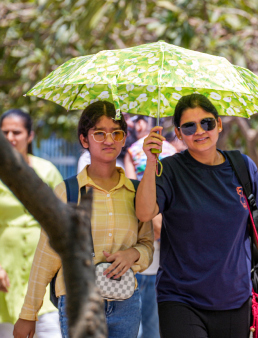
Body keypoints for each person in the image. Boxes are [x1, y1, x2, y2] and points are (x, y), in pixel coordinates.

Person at [135, 94, 258, 338]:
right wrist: (152, 161)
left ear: (219, 124)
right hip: (180, 298)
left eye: (206, 122)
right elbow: (144, 212)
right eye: (189, 126)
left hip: (235, 298)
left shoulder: (243, 167)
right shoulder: (171, 169)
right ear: (178, 132)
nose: (199, 131)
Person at [13, 101, 154, 338]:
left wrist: (134, 254)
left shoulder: (138, 192)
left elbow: (148, 245)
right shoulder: (67, 192)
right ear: (84, 140)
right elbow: (46, 256)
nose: (108, 140)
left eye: (115, 133)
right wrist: (29, 313)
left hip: (126, 304)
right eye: (99, 133)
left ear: (123, 138)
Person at [0, 109, 63, 338]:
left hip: (45, 278)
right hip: (5, 281)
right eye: (4, 132)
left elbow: (62, 222)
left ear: (30, 136)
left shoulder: (47, 171)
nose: (10, 138)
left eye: (16, 132)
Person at [124, 115, 177, 338]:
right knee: (156, 327)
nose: (136, 124)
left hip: (138, 254)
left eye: (139, 119)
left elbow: (130, 195)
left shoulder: (133, 151)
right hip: (166, 255)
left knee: (134, 326)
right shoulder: (175, 152)